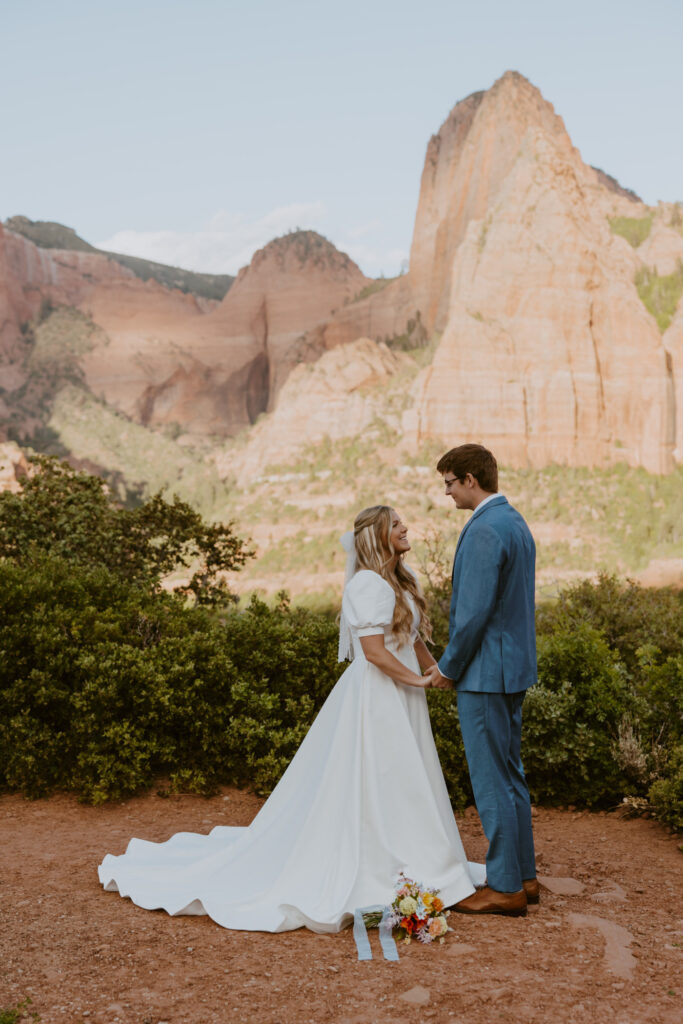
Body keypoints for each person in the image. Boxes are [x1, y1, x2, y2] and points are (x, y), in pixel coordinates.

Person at [98, 505, 484, 933]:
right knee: (382, 774)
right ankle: (380, 857)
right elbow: (374, 653)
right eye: (395, 524)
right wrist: (417, 682)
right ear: (377, 535)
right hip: (379, 695)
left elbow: (409, 640)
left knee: (408, 775)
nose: (405, 527)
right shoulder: (367, 584)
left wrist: (439, 671)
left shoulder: (397, 580)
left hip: (405, 692)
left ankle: (417, 853)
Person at [425, 444, 538, 917]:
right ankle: (525, 876)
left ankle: (506, 886)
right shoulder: (514, 521)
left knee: (492, 780)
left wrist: (448, 667)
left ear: (472, 479)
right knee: (511, 774)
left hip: (485, 674)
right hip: (511, 668)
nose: (446, 491)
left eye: (449, 481)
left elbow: (473, 614)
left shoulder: (486, 530)